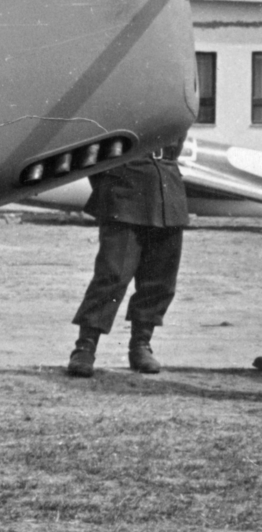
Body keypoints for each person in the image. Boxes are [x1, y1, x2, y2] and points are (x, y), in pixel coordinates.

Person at [66, 138, 187, 378]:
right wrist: (112, 184)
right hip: (124, 190)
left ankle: (140, 345)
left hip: (168, 189)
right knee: (112, 275)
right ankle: (85, 347)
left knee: (160, 279)